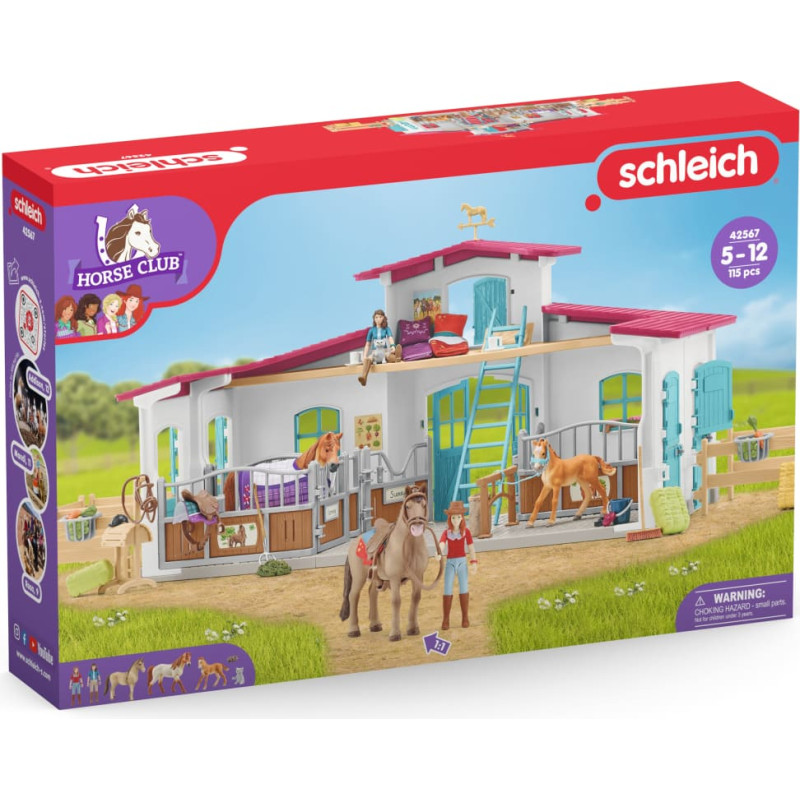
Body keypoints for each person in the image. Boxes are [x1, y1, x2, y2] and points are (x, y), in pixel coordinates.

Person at [439, 500, 478, 629]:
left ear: (462, 518)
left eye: (458, 517)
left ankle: (465, 617)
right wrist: (439, 552)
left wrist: (473, 561)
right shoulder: (446, 533)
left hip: (462, 562)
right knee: (447, 588)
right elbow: (442, 544)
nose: (456, 520)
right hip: (450, 562)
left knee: (464, 587)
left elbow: (471, 548)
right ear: (450, 519)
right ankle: (446, 619)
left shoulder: (466, 532)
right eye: (453, 517)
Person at [358, 309, 401, 387]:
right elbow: (367, 344)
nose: (378, 319)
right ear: (374, 319)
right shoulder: (371, 330)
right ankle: (364, 377)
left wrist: (393, 346)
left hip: (384, 351)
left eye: (380, 317)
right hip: (375, 352)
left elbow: (390, 338)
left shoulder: (386, 329)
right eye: (376, 317)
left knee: (389, 356)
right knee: (368, 359)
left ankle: (397, 357)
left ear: (383, 318)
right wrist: (364, 356)